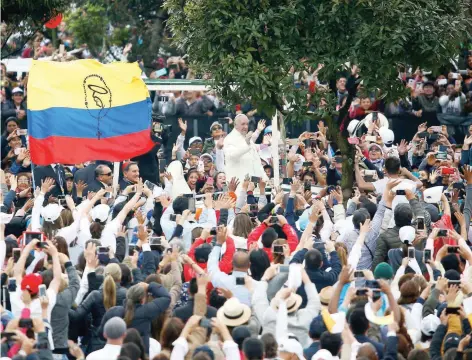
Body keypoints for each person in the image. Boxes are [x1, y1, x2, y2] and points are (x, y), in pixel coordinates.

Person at [223, 114, 266, 185]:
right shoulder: (229, 139)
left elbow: (256, 161)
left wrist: (264, 178)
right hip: (238, 186)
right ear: (235, 125)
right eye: (243, 124)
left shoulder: (245, 137)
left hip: (254, 184)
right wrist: (246, 144)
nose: (246, 127)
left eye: (247, 124)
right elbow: (232, 155)